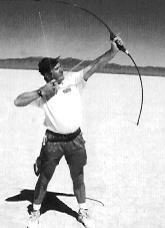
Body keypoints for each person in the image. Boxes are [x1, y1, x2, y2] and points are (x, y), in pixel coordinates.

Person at [14, 35, 122, 228]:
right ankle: (35, 211)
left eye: (60, 66)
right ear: (47, 75)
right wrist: (41, 91)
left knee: (78, 176)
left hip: (76, 140)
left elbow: (95, 65)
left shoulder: (74, 79)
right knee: (44, 178)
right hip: (53, 142)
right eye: (56, 69)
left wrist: (113, 51)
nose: (61, 69)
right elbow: (18, 101)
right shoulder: (44, 91)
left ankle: (82, 211)